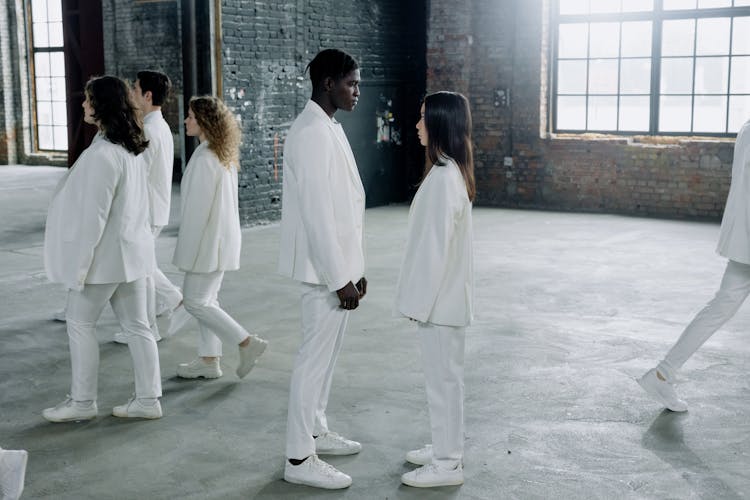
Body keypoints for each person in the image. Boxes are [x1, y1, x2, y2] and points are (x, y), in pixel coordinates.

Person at [42, 75, 163, 421]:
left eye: (88, 99)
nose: (83, 104)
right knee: (139, 326)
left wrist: (78, 269)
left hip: (105, 260)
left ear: (101, 106)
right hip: (133, 255)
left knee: (79, 324)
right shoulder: (130, 148)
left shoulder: (103, 155)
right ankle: (148, 399)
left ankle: (82, 403)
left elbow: (92, 219)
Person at [278, 48, 366, 490]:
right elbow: (317, 214)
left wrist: (355, 267)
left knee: (325, 359)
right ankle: (298, 457)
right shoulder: (311, 132)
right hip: (321, 273)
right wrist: (339, 277)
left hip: (336, 269)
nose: (357, 91)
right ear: (328, 83)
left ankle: (315, 430)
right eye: (351, 83)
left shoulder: (328, 126)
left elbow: (344, 204)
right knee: (312, 362)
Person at [638, 116, 750, 413]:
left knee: (719, 308)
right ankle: (663, 374)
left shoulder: (747, 127)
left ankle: (663, 373)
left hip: (743, 241)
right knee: (719, 308)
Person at [394, 91, 475, 488]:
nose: (417, 124)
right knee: (444, 382)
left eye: (423, 117)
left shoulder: (444, 179)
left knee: (443, 383)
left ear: (441, 123)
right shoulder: (447, 172)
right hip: (443, 302)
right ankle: (446, 447)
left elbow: (433, 252)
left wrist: (417, 303)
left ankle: (447, 463)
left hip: (439, 304)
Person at [172, 96, 268, 380]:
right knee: (207, 300)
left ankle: (246, 342)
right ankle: (208, 360)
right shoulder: (220, 153)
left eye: (190, 116)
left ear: (204, 121)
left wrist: (187, 253)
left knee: (195, 302)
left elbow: (197, 214)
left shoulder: (205, 158)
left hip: (207, 244)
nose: (186, 120)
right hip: (219, 241)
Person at [111, 70, 186, 344]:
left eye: (135, 88)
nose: (131, 93)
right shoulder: (158, 125)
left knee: (141, 267)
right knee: (145, 265)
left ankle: (156, 319)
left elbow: (137, 174)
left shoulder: (150, 129)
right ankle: (167, 306)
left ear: (147, 95)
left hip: (148, 209)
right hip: (155, 207)